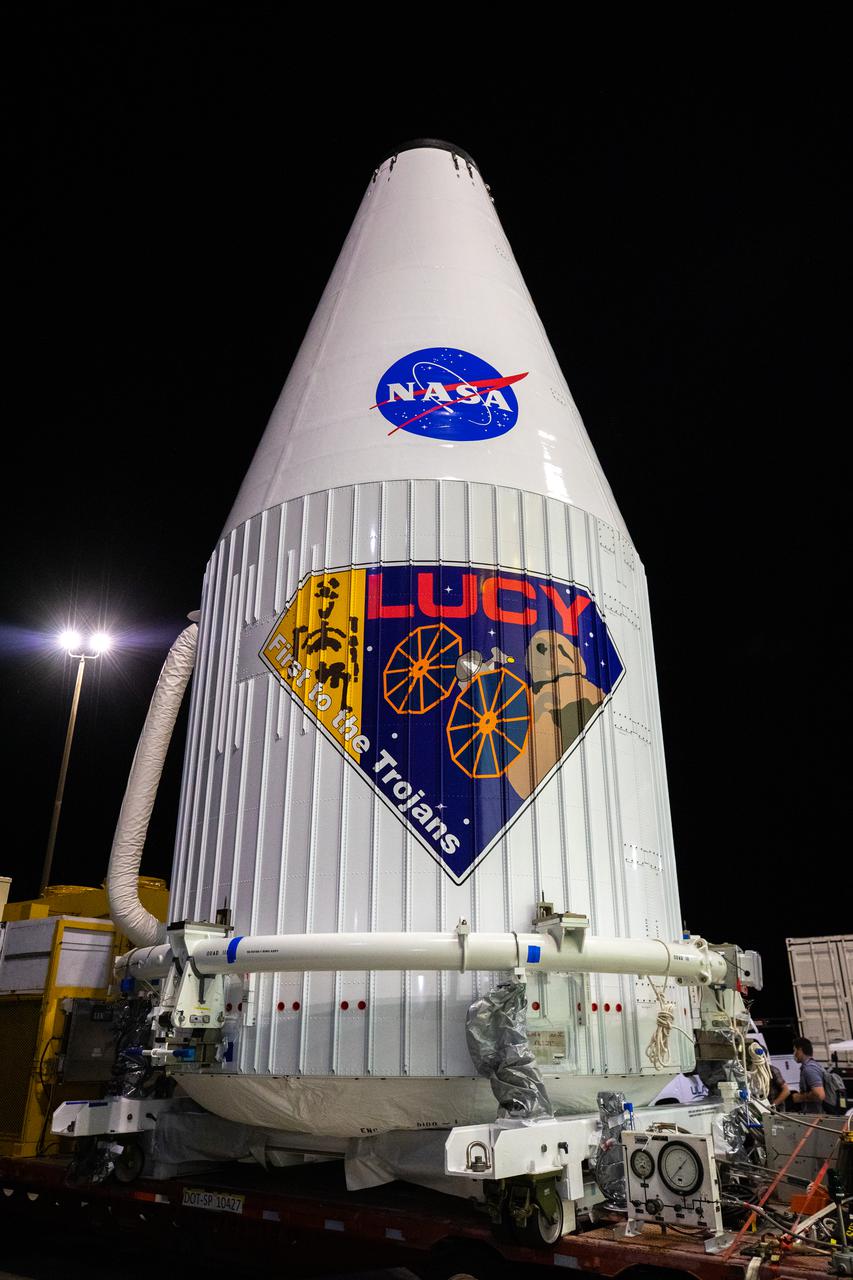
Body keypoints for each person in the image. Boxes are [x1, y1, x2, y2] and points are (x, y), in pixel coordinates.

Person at [790, 1036, 826, 1113]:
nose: (794, 1054)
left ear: (800, 1050)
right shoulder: (814, 1065)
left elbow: (820, 1095)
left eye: (794, 1050)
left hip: (815, 1116)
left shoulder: (809, 1069)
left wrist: (799, 1097)